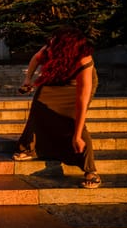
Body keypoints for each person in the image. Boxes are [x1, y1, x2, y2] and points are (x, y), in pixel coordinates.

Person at [12, 26, 101, 188]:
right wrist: (27, 80)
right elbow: (36, 59)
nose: (50, 41)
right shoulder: (51, 48)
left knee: (71, 118)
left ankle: (90, 170)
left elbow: (81, 101)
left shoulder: (84, 59)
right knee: (39, 106)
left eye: (55, 39)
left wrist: (77, 135)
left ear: (66, 45)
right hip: (57, 77)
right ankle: (29, 147)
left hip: (76, 85)